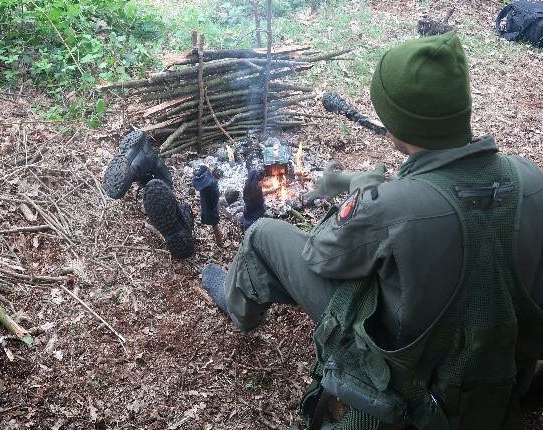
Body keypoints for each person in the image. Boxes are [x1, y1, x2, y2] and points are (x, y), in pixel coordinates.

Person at [201, 32, 543, 430]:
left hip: (411, 376)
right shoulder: (529, 179)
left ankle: (240, 306)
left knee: (262, 234)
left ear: (398, 124)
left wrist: (358, 193)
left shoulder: (391, 208)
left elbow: (320, 254)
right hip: (494, 371)